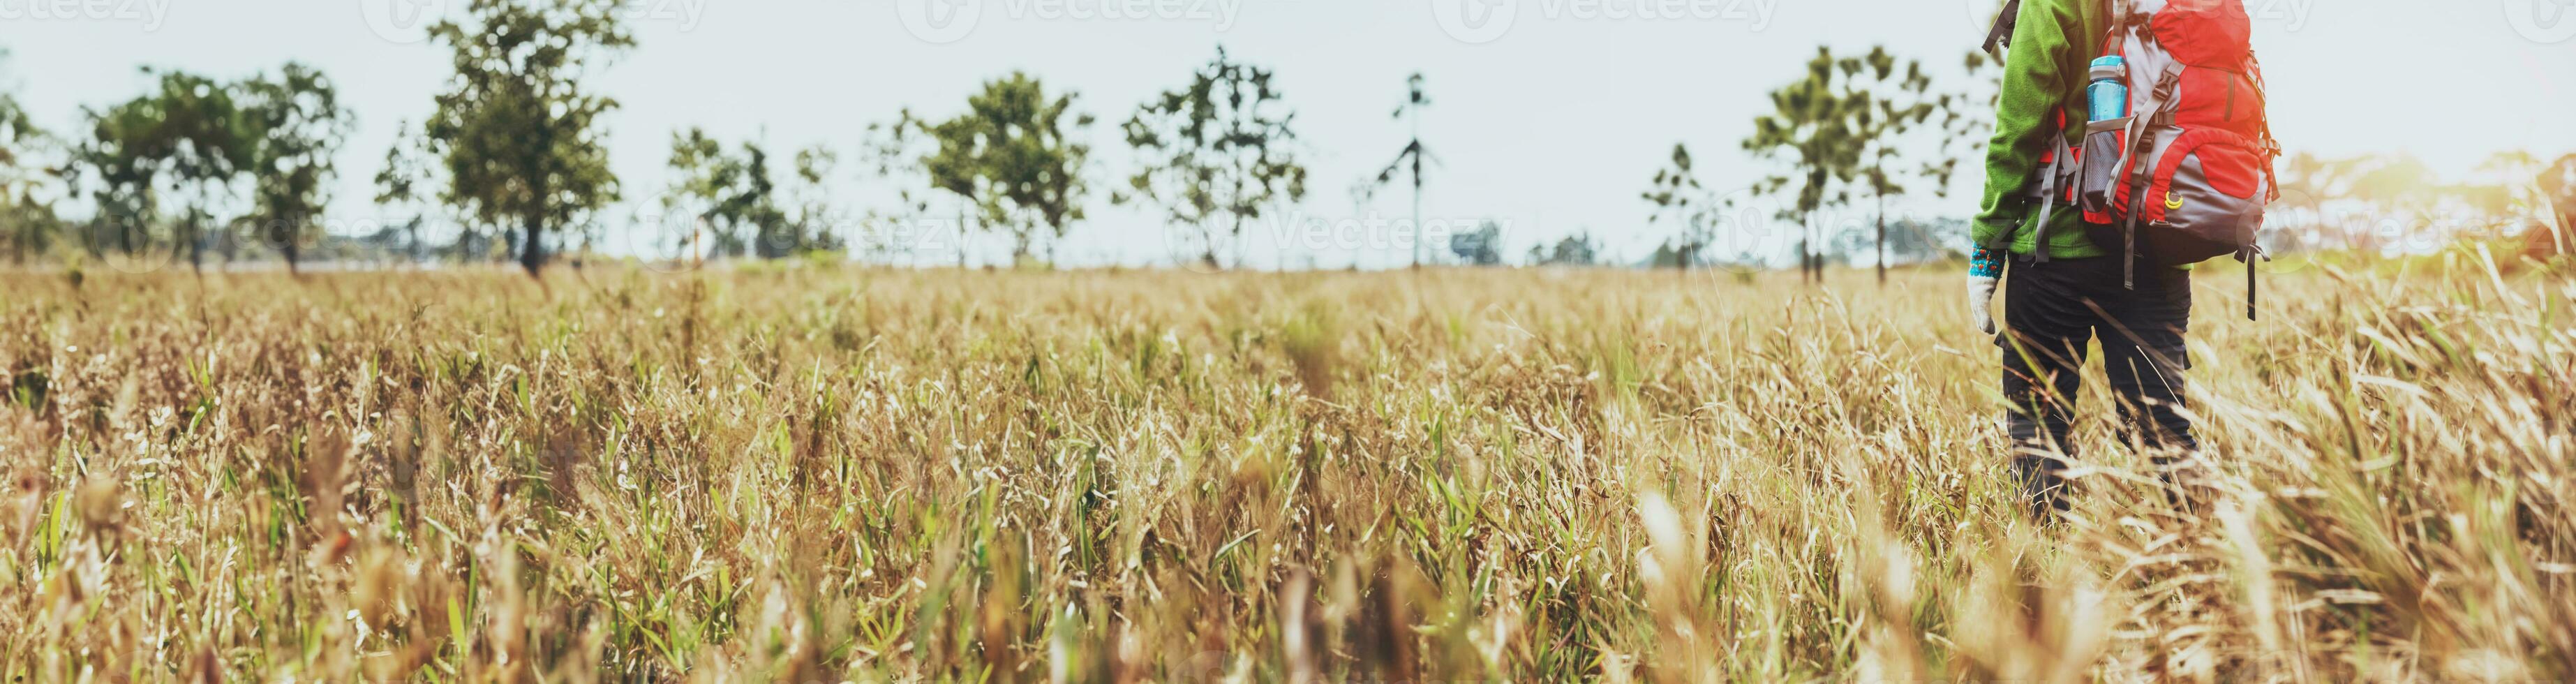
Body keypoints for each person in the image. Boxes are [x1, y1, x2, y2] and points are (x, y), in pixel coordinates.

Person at [1970, 0, 2198, 519]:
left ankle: (2045, 580)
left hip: (2055, 251)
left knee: (2037, 425)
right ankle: (2205, 566)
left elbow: (2018, 126)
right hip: (2155, 244)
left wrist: (1986, 250)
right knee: (2161, 426)